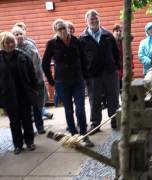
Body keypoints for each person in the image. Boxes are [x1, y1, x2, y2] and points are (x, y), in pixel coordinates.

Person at [42, 19, 94, 147]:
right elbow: (45, 64)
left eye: (63, 28)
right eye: (59, 29)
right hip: (62, 82)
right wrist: (51, 81)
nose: (62, 31)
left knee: (80, 109)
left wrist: (86, 76)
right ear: (55, 31)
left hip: (78, 80)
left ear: (67, 28)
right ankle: (73, 135)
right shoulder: (51, 44)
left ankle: (84, 135)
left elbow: (84, 60)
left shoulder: (77, 41)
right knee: (68, 110)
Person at [80, 10, 120, 131]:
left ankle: (115, 120)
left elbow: (116, 53)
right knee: (94, 99)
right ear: (86, 21)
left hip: (110, 73)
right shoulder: (82, 38)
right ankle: (95, 123)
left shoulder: (108, 35)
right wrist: (85, 73)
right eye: (91, 19)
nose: (94, 21)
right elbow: (81, 58)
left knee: (113, 97)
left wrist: (115, 66)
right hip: (93, 75)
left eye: (96, 18)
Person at [0, 31, 37, 154]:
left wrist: (34, 89)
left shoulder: (23, 56)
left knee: (26, 120)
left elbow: (32, 74)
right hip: (8, 95)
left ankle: (30, 142)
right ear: (2, 44)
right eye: (7, 42)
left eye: (12, 42)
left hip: (24, 93)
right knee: (14, 122)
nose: (10, 44)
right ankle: (18, 145)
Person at [14, 22, 54, 120]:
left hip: (35, 76)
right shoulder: (13, 47)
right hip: (23, 80)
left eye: (22, 31)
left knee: (39, 97)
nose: (20, 34)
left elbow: (37, 62)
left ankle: (41, 113)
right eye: (17, 33)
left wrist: (37, 77)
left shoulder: (31, 44)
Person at [12, 26, 46, 134]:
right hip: (20, 83)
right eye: (16, 34)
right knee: (25, 108)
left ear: (24, 35)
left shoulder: (31, 47)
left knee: (37, 105)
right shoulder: (11, 50)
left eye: (20, 34)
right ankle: (27, 129)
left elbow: (37, 65)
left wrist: (37, 80)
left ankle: (39, 126)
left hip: (33, 80)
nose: (19, 36)